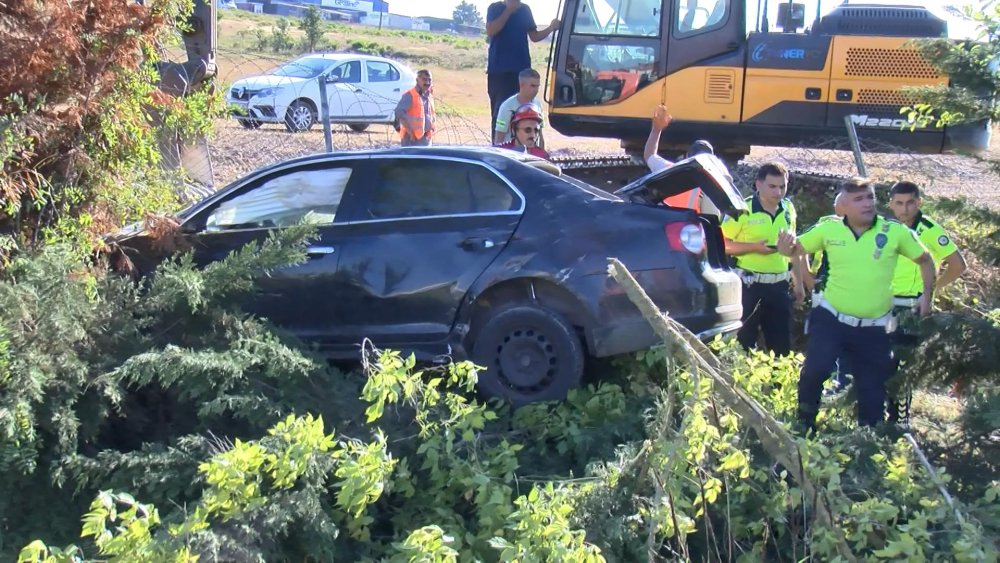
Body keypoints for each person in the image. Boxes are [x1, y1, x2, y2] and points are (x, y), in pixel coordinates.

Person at [776, 178, 936, 432]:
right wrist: (788, 252)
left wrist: (927, 297)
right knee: (815, 371)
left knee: (872, 391)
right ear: (844, 206)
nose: (867, 204)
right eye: (859, 199)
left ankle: (866, 444)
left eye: (870, 197)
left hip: (874, 327)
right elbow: (796, 249)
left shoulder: (894, 232)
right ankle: (803, 428)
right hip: (831, 319)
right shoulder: (829, 230)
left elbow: (926, 260)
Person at [885, 180, 967, 420]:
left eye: (910, 203)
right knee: (879, 360)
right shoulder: (886, 228)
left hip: (910, 307)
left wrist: (929, 292)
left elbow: (958, 265)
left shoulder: (929, 229)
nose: (905, 209)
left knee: (901, 363)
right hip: (881, 303)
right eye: (899, 203)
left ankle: (900, 419)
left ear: (919, 202)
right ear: (891, 204)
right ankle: (877, 416)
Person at [721, 162, 805, 357]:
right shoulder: (742, 209)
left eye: (783, 186)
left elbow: (795, 248)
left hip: (779, 287)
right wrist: (754, 248)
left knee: (782, 347)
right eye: (772, 186)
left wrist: (799, 282)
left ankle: (778, 386)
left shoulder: (788, 209)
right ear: (758, 184)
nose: (778, 192)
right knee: (742, 345)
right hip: (749, 286)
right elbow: (721, 244)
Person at [486, 0, 560, 135]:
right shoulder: (495, 8)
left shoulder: (525, 10)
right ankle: (498, 146)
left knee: (524, 111)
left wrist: (551, 27)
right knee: (500, 113)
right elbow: (491, 30)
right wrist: (508, 10)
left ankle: (521, 147)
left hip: (522, 71)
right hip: (499, 72)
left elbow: (534, 36)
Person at [642, 104, 712, 211]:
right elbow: (712, 216)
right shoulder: (709, 184)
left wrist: (656, 129)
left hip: (664, 222)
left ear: (687, 156)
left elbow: (649, 155)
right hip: (688, 226)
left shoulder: (669, 169)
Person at [494, 68, 544, 146]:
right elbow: (499, 136)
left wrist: (542, 154)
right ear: (522, 85)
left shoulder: (538, 105)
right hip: (513, 154)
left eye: (537, 86)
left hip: (532, 155)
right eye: (533, 86)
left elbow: (540, 134)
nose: (536, 90)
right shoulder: (507, 107)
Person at [395, 69, 434, 147]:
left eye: (429, 80)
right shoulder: (409, 95)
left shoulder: (428, 96)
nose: (427, 83)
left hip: (425, 139)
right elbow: (399, 113)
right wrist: (410, 132)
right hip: (411, 139)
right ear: (417, 80)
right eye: (424, 80)